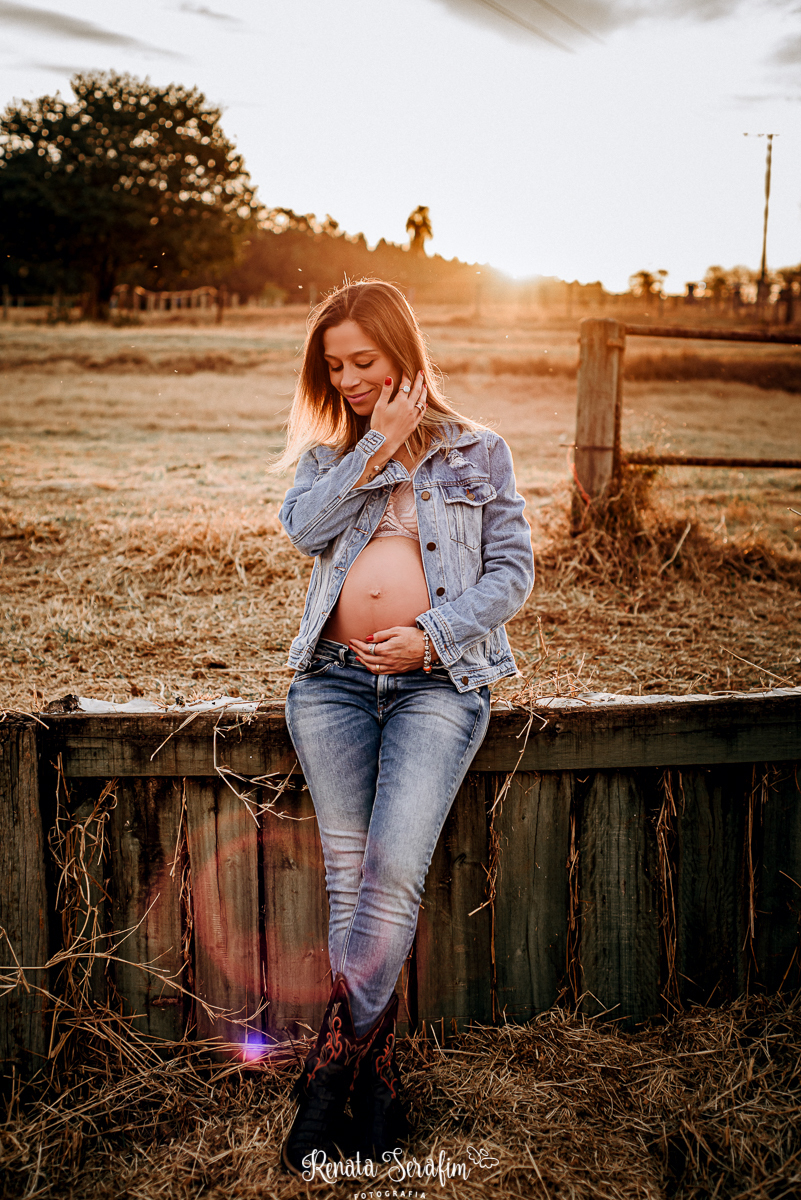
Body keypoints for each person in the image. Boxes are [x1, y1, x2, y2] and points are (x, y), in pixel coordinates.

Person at [275, 280, 534, 1175]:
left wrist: (432, 634)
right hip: (333, 688)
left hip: (438, 686)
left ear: (404, 357)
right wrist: (374, 444)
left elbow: (511, 576)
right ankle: (376, 1079)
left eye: (363, 362)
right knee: (351, 883)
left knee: (387, 876)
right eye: (334, 365)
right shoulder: (327, 460)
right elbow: (305, 532)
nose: (347, 379)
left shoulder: (479, 450)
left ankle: (326, 1079)